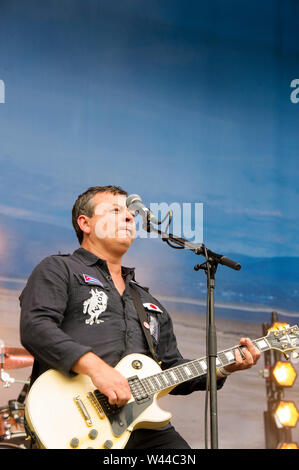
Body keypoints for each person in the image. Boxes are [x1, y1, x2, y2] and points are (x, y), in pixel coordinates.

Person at [20, 185, 261, 449]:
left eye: (130, 214)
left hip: (143, 425)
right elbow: (36, 327)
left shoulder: (147, 302)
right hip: (73, 419)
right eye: (115, 211)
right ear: (85, 223)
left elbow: (170, 368)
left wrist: (224, 367)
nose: (129, 217)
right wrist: (97, 369)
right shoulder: (59, 269)